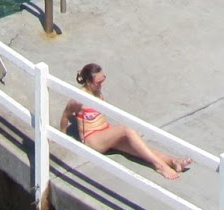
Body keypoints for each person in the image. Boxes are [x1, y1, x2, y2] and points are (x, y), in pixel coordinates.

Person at [61, 64, 192, 179]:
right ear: (89, 82)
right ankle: (160, 166)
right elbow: (66, 115)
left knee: (140, 147)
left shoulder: (97, 91)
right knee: (126, 129)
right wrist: (61, 135)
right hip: (93, 140)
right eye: (98, 82)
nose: (101, 84)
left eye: (103, 79)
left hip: (106, 134)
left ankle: (173, 161)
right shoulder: (79, 99)